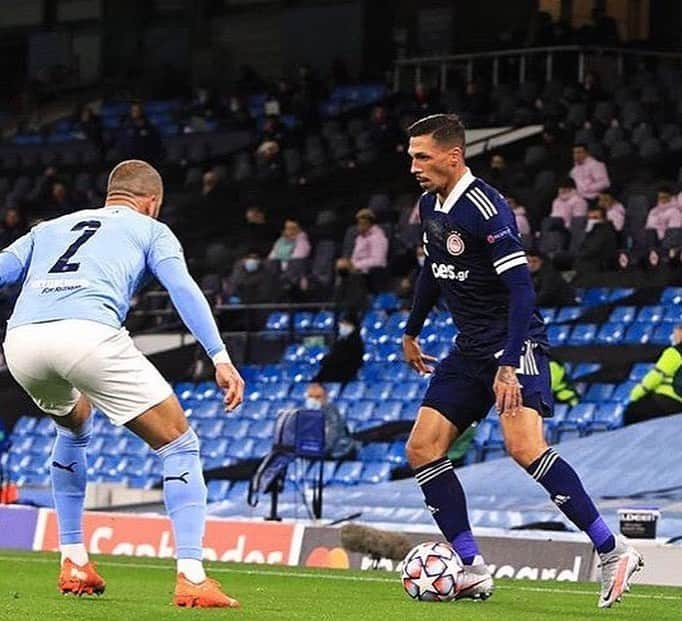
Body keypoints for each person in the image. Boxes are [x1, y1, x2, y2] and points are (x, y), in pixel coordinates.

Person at [402, 114, 641, 608]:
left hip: (515, 344)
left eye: (422, 156)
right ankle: (471, 567)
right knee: (423, 447)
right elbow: (433, 269)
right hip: (469, 346)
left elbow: (522, 290)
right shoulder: (430, 204)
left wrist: (509, 363)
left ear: (453, 156)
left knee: (523, 446)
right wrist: (411, 329)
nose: (414, 166)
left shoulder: (488, 211)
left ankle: (613, 550)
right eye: (411, 157)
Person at [0, 160, 244, 608]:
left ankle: (73, 560)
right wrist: (219, 356)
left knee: (73, 425)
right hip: (88, 334)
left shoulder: (49, 227)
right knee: (179, 445)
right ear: (152, 202)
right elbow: (183, 288)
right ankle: (192, 576)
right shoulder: (151, 229)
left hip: (22, 342)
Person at [624, 324, 682, 425]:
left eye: (676, 333)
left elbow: (656, 376)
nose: (674, 336)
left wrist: (635, 394)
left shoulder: (674, 352)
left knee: (632, 411)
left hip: (667, 400)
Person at [304, 383, 357, 459]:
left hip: (339, 450)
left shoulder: (331, 410)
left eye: (317, 397)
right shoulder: (307, 413)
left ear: (325, 397)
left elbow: (333, 433)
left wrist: (319, 449)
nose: (313, 400)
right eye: (310, 397)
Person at [313, 312, 364, 384]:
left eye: (346, 324)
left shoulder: (355, 342)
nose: (342, 326)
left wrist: (328, 360)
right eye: (342, 323)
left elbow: (350, 360)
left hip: (344, 375)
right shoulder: (339, 340)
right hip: (332, 374)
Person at [573, 205, 618, 275]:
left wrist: (587, 233)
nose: (592, 220)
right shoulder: (591, 230)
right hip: (587, 265)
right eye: (589, 218)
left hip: (598, 268)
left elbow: (591, 250)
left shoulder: (604, 230)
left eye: (595, 218)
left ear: (603, 219)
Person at [349, 208, 389, 275]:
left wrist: (355, 265)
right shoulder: (359, 238)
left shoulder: (378, 237)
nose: (360, 226)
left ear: (371, 224)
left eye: (364, 223)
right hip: (357, 272)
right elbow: (355, 258)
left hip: (371, 274)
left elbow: (378, 261)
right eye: (359, 223)